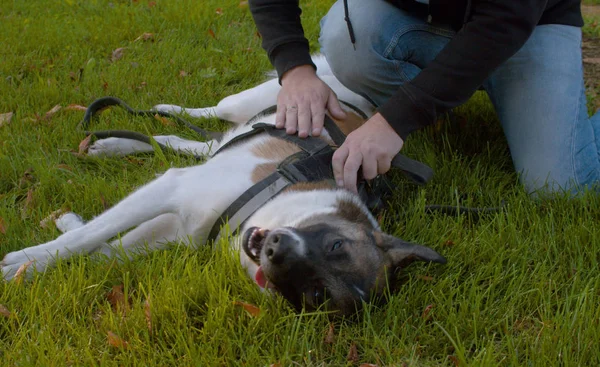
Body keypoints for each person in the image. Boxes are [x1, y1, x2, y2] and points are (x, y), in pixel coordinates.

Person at [248, 0, 600, 195]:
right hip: (415, 17)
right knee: (349, 38)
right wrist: (294, 68)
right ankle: (446, 94)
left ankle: (502, 90)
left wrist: (394, 121)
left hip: (531, 23)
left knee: (559, 188)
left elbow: (504, 22)